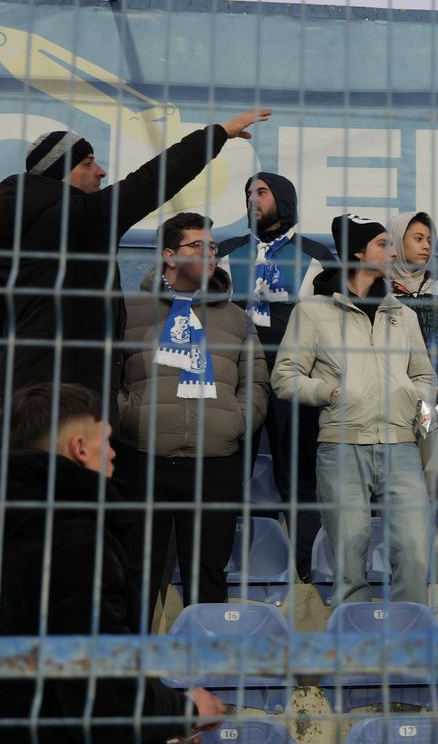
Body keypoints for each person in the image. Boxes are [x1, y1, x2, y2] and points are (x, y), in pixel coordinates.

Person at [0, 382, 225, 743]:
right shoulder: (72, 540)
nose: (113, 454)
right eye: (106, 440)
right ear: (80, 448)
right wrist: (183, 710)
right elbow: (102, 698)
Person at [0, 109, 271, 409]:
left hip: (20, 388)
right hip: (68, 393)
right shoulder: (77, 217)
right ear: (61, 172)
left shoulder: (13, 232)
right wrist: (219, 133)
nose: (101, 171)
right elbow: (151, 181)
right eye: (87, 163)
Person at [114, 213, 269, 627]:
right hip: (142, 459)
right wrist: (126, 416)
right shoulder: (128, 311)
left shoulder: (237, 319)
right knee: (135, 576)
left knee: (207, 579)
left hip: (213, 464)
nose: (210, 255)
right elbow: (105, 375)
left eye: (213, 248)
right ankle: (128, 677)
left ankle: (207, 674)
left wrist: (237, 422)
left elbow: (256, 383)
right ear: (168, 255)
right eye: (197, 246)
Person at [272, 214, 435, 605]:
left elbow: (425, 378)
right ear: (357, 252)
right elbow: (284, 377)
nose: (392, 251)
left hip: (402, 447)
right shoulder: (312, 311)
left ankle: (407, 643)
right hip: (341, 445)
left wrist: (420, 418)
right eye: (382, 244)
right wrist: (331, 393)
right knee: (349, 553)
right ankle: (355, 651)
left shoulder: (404, 314)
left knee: (414, 548)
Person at [217, 171, 338, 579]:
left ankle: (307, 572)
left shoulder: (318, 256)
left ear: (282, 199)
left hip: (293, 382)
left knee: (299, 478)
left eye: (262, 192)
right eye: (248, 191)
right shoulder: (226, 253)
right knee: (229, 477)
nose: (253, 198)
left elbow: (331, 328)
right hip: (237, 383)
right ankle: (219, 568)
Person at [387, 211, 438, 495]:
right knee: (392, 484)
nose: (426, 246)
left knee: (428, 480)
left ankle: (426, 538)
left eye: (429, 240)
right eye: (418, 238)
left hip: (431, 405)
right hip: (389, 406)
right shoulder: (379, 292)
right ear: (397, 243)